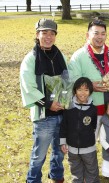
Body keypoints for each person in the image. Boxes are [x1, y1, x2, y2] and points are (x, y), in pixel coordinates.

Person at [19, 18, 66, 183]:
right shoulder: (30, 59)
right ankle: (33, 180)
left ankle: (56, 175)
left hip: (62, 112)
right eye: (44, 33)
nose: (48, 36)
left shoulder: (60, 55)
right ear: (37, 34)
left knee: (59, 151)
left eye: (52, 33)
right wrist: (48, 104)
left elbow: (67, 79)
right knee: (39, 154)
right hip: (43, 116)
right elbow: (28, 88)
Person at [68, 20, 109, 139]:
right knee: (87, 143)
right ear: (88, 35)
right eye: (96, 33)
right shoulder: (78, 56)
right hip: (88, 109)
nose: (100, 37)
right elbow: (73, 79)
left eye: (103, 34)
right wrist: (89, 86)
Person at [59, 77, 99, 182]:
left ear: (90, 92)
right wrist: (63, 142)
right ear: (75, 91)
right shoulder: (69, 108)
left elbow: (94, 126)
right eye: (80, 89)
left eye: (86, 90)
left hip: (88, 149)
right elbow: (64, 126)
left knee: (92, 173)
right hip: (72, 149)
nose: (83, 93)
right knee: (76, 173)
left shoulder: (93, 109)